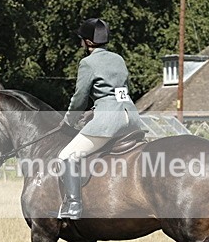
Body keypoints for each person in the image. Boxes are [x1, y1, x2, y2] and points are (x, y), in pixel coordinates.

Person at [56, 17, 147, 220]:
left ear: (88, 42)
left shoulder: (87, 63)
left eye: (82, 39)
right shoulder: (118, 59)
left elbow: (80, 97)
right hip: (130, 117)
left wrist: (70, 120)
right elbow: (118, 92)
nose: (81, 42)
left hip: (109, 121)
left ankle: (73, 205)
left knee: (67, 156)